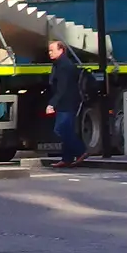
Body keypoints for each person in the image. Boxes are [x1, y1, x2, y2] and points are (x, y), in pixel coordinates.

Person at [46, 39, 88, 167]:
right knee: (66, 128)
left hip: (67, 102)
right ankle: (67, 158)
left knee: (60, 129)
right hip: (65, 102)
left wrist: (51, 104)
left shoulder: (65, 66)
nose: (50, 53)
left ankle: (81, 150)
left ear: (61, 50)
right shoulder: (59, 64)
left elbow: (62, 88)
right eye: (49, 50)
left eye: (52, 50)